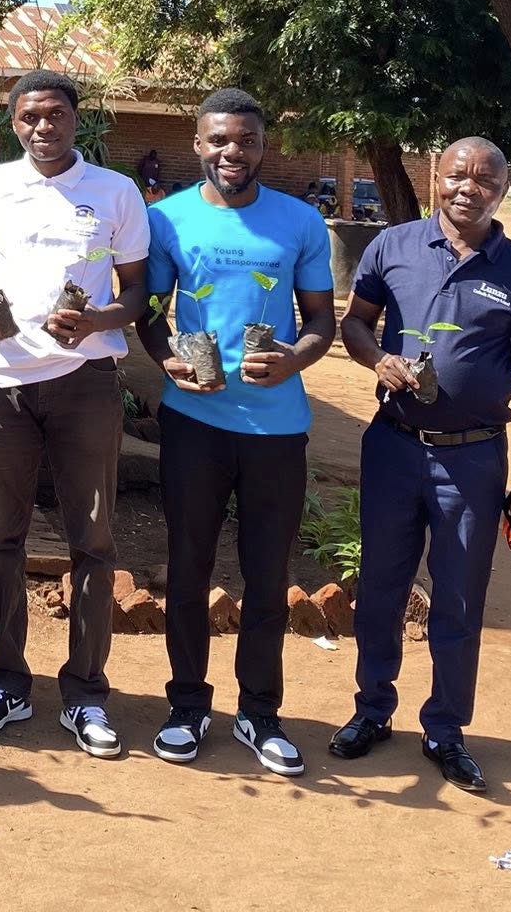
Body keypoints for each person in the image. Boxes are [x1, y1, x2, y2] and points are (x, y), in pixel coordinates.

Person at [330, 136, 511, 792]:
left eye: (484, 180)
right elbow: (355, 324)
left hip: (475, 459)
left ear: (502, 189)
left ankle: (445, 729)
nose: (467, 188)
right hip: (394, 447)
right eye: (456, 175)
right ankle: (372, 709)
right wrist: (379, 359)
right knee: (379, 587)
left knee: (459, 597)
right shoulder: (392, 247)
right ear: (435, 175)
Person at [136, 89, 336, 772]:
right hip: (195, 419)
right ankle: (187, 706)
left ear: (262, 146)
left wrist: (293, 360)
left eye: (246, 140)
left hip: (276, 428)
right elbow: (150, 313)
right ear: (198, 144)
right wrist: (166, 359)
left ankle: (260, 713)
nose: (233, 153)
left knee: (267, 572)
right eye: (219, 140)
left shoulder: (301, 222)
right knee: (188, 569)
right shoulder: (165, 220)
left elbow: (320, 323)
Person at [0, 69, 149, 758]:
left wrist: (95, 318)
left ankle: (87, 694)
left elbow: (136, 295)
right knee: (1, 537)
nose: (45, 127)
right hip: (1, 384)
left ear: (75, 120)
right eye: (31, 116)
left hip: (86, 380)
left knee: (92, 541)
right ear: (15, 123)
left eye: (57, 115)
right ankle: (6, 681)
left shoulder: (114, 192)